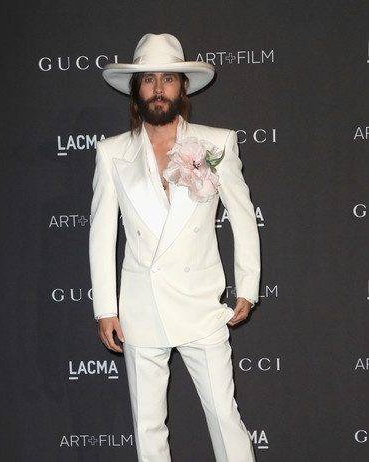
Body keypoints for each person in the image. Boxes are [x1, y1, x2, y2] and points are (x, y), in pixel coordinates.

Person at [89, 33, 260, 462]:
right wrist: (105, 308)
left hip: (201, 302)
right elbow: (101, 234)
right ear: (136, 91)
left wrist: (247, 287)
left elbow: (243, 217)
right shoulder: (111, 153)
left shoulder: (217, 143)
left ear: (182, 87)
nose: (158, 89)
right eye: (149, 80)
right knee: (148, 428)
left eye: (167, 79)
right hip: (140, 307)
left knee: (224, 417)